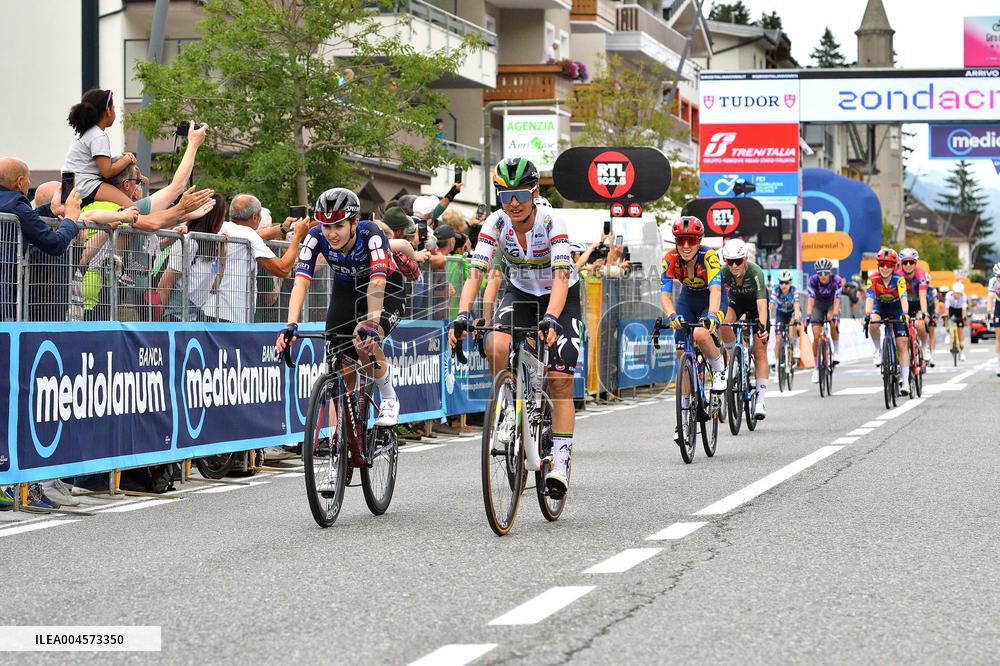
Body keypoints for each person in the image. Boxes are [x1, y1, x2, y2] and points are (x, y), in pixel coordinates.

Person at [449, 157, 581, 497]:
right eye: (505, 195)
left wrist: (552, 316)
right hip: (520, 291)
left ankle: (561, 463)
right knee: (495, 344)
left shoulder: (553, 221)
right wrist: (463, 313)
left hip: (559, 294)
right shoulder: (495, 223)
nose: (513, 203)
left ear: (534, 192)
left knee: (561, 381)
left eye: (520, 194)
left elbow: (562, 275)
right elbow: (476, 272)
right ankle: (508, 408)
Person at [276, 188, 405, 439]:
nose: (332, 234)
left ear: (355, 222)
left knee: (362, 337)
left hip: (386, 289)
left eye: (339, 226)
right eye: (326, 227)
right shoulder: (315, 237)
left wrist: (372, 326)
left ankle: (389, 397)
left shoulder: (372, 235)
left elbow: (377, 284)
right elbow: (301, 282)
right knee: (338, 362)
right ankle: (340, 439)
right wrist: (290, 324)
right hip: (347, 290)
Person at [659, 216, 727, 443]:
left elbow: (716, 290)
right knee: (682, 355)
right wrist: (672, 315)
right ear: (676, 242)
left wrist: (713, 316)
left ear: (699, 241)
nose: (686, 246)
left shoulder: (709, 256)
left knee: (700, 333)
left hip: (711, 298)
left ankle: (719, 371)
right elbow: (666, 295)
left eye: (691, 241)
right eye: (681, 241)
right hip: (687, 300)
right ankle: (684, 415)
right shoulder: (669, 258)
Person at [0, 158, 81, 321]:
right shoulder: (15, 204)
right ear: (20, 182)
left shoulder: (10, 206)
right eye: (29, 178)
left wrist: (50, 210)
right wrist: (71, 219)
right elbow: (55, 244)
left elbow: (29, 221)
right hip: (6, 301)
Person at [207, 194, 307, 323]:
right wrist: (297, 237)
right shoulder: (249, 234)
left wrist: (283, 228)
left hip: (207, 310)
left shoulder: (221, 227)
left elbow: (254, 234)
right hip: (232, 317)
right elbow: (282, 269)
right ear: (255, 217)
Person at [718, 239, 770, 419]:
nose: (734, 266)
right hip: (736, 303)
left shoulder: (756, 272)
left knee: (760, 349)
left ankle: (760, 401)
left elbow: (762, 306)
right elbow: (719, 299)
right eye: (729, 261)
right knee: (723, 323)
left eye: (738, 261)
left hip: (756, 304)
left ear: (745, 259)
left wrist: (762, 326)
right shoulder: (724, 272)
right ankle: (736, 356)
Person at [156, 194, 228, 321]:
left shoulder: (214, 245)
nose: (223, 222)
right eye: (222, 217)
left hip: (195, 318)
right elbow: (164, 285)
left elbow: (215, 287)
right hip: (175, 317)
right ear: (213, 219)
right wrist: (164, 317)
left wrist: (223, 251)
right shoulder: (188, 242)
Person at [63, 88, 135, 208]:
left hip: (68, 182)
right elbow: (107, 172)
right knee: (131, 208)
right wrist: (126, 160)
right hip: (84, 184)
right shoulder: (98, 135)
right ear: (108, 111)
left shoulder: (83, 133)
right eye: (114, 108)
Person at [865, 247, 911, 394]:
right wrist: (867, 314)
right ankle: (878, 350)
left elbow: (904, 297)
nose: (885, 268)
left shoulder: (899, 279)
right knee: (873, 322)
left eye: (889, 265)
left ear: (894, 267)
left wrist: (905, 313)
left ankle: (905, 383)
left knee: (902, 344)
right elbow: (870, 298)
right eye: (882, 264)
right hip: (881, 307)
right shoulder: (872, 279)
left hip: (897, 308)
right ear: (878, 265)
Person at [804, 258, 843, 382]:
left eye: (826, 273)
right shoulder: (813, 280)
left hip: (831, 304)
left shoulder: (836, 280)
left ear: (830, 272)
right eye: (820, 273)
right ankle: (816, 368)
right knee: (816, 336)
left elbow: (837, 300)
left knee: (832, 320)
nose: (823, 276)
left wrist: (836, 314)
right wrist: (809, 314)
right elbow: (810, 299)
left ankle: (836, 351)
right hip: (818, 305)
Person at [898, 248, 931, 363]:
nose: (908, 265)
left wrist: (924, 313)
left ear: (915, 263)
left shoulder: (920, 274)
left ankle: (924, 345)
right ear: (901, 263)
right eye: (905, 262)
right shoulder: (897, 274)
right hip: (903, 303)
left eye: (911, 262)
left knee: (919, 324)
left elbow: (922, 296)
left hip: (917, 302)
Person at [770, 269, 801, 368]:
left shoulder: (794, 290)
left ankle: (795, 345)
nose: (783, 285)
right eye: (781, 282)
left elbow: (796, 305)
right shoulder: (776, 290)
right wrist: (767, 317)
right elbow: (772, 305)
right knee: (778, 339)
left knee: (793, 324)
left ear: (790, 283)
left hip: (792, 312)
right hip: (781, 313)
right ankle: (775, 360)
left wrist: (796, 319)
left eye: (786, 283)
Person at [945, 281, 968, 362]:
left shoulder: (964, 297)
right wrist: (946, 316)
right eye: (955, 293)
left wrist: (964, 318)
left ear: (961, 293)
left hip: (959, 310)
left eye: (958, 293)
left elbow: (964, 310)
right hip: (951, 309)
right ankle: (947, 334)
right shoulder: (948, 295)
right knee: (945, 317)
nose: (956, 295)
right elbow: (947, 309)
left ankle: (962, 353)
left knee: (960, 331)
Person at [989, 263, 1000, 376]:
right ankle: (998, 364)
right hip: (998, 305)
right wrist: (988, 311)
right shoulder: (992, 281)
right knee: (998, 336)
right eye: (998, 276)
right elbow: (990, 298)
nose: (999, 278)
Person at [925, 281, 938, 367]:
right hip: (921, 311)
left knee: (931, 333)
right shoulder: (916, 287)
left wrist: (935, 314)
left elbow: (936, 302)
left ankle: (932, 356)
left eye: (927, 282)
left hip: (930, 311)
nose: (926, 284)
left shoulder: (932, 289)